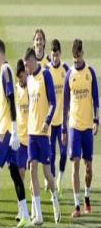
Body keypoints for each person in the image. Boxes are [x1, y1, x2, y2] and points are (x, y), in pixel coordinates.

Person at [0, 40, 31, 228]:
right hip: (5, 128)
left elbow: (11, 99)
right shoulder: (6, 70)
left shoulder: (5, 70)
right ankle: (25, 215)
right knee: (14, 171)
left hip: (7, 130)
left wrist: (13, 130)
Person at [24, 47, 61, 226]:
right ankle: (38, 214)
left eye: (27, 65)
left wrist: (47, 121)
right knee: (32, 169)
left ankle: (54, 198)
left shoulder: (45, 75)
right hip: (31, 132)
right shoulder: (29, 79)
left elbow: (53, 102)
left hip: (43, 133)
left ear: (33, 61)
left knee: (47, 173)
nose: (26, 68)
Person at [62, 39, 99, 217]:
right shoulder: (69, 75)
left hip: (87, 128)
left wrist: (96, 120)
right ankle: (77, 205)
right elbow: (65, 105)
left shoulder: (90, 73)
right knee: (75, 163)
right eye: (74, 59)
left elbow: (96, 99)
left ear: (82, 53)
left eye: (78, 57)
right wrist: (64, 129)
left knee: (88, 168)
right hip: (74, 127)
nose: (76, 61)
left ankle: (86, 196)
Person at [46, 39, 69, 194]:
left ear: (60, 54)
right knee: (52, 154)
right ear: (51, 54)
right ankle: (52, 180)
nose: (55, 58)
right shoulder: (46, 71)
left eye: (57, 55)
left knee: (64, 152)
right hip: (50, 121)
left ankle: (60, 177)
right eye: (53, 55)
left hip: (62, 121)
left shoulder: (65, 69)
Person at [15, 59, 29, 220]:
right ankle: (21, 209)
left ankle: (35, 210)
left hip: (32, 137)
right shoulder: (16, 89)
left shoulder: (32, 87)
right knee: (20, 174)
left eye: (22, 77)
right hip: (20, 139)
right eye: (18, 78)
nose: (20, 80)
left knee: (33, 175)